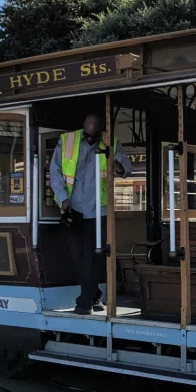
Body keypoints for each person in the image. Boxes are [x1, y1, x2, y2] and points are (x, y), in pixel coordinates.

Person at [50, 114, 132, 315]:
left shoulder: (111, 142)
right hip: (72, 208)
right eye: (87, 135)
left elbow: (126, 167)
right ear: (82, 127)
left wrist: (119, 167)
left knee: (90, 258)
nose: (90, 139)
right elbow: (55, 171)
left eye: (94, 136)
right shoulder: (67, 141)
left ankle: (84, 302)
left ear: (101, 130)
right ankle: (94, 294)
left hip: (98, 209)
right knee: (77, 257)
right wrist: (63, 198)